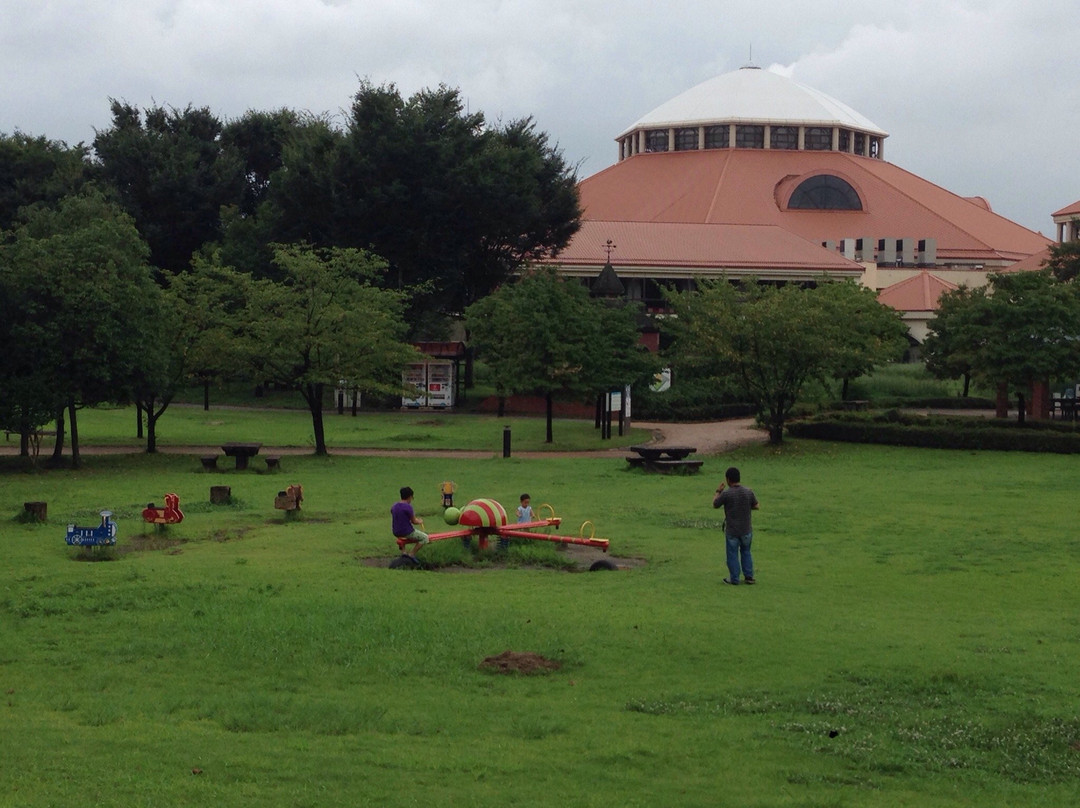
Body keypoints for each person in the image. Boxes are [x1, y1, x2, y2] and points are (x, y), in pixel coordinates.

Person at [712, 466, 760, 585]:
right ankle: (749, 576)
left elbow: (715, 504)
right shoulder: (748, 491)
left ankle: (734, 578)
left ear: (728, 479)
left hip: (732, 531)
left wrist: (718, 491)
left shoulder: (727, 494)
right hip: (746, 529)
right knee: (746, 552)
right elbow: (757, 506)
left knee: (732, 555)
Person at [391, 486, 429, 557]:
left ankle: (403, 552)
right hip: (407, 532)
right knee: (425, 538)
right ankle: (412, 554)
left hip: (395, 531)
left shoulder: (394, 506)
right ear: (410, 497)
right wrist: (420, 521)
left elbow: (399, 517)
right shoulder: (408, 507)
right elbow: (414, 521)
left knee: (402, 536)